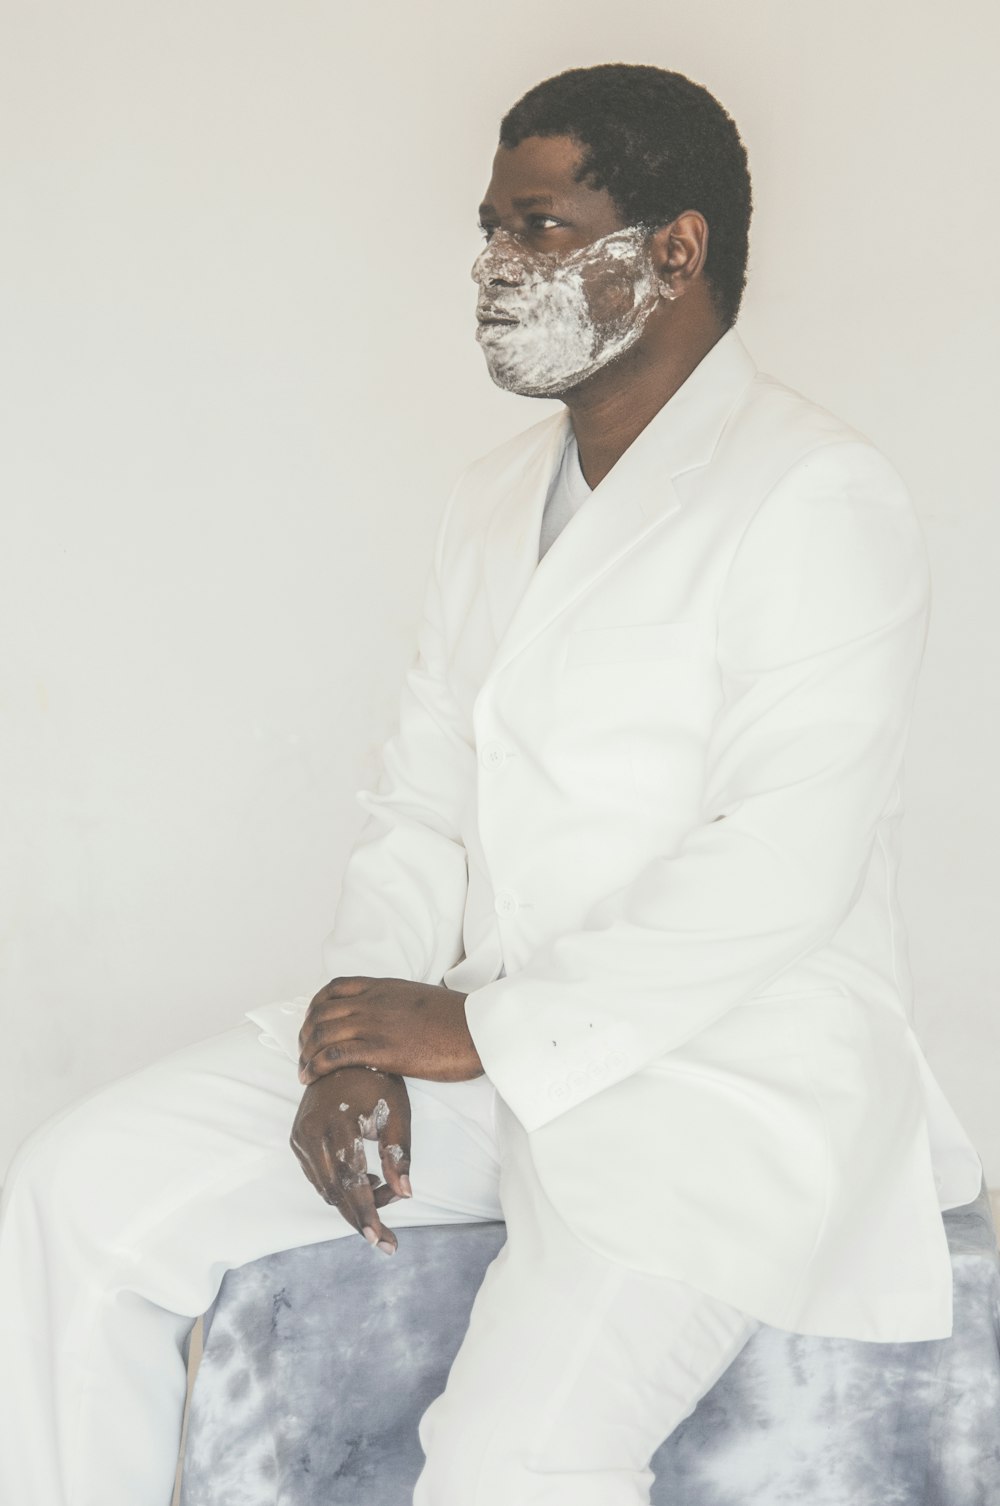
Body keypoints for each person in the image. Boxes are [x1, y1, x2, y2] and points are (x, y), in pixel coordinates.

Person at [0, 62, 983, 1506]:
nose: (494, 266)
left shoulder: (815, 494)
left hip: (710, 1089)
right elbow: (418, 807)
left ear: (675, 250)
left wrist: (481, 1030)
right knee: (81, 1190)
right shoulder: (487, 502)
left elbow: (782, 860)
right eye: (489, 229)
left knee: (506, 1466)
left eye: (536, 228)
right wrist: (355, 1037)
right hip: (487, 1051)